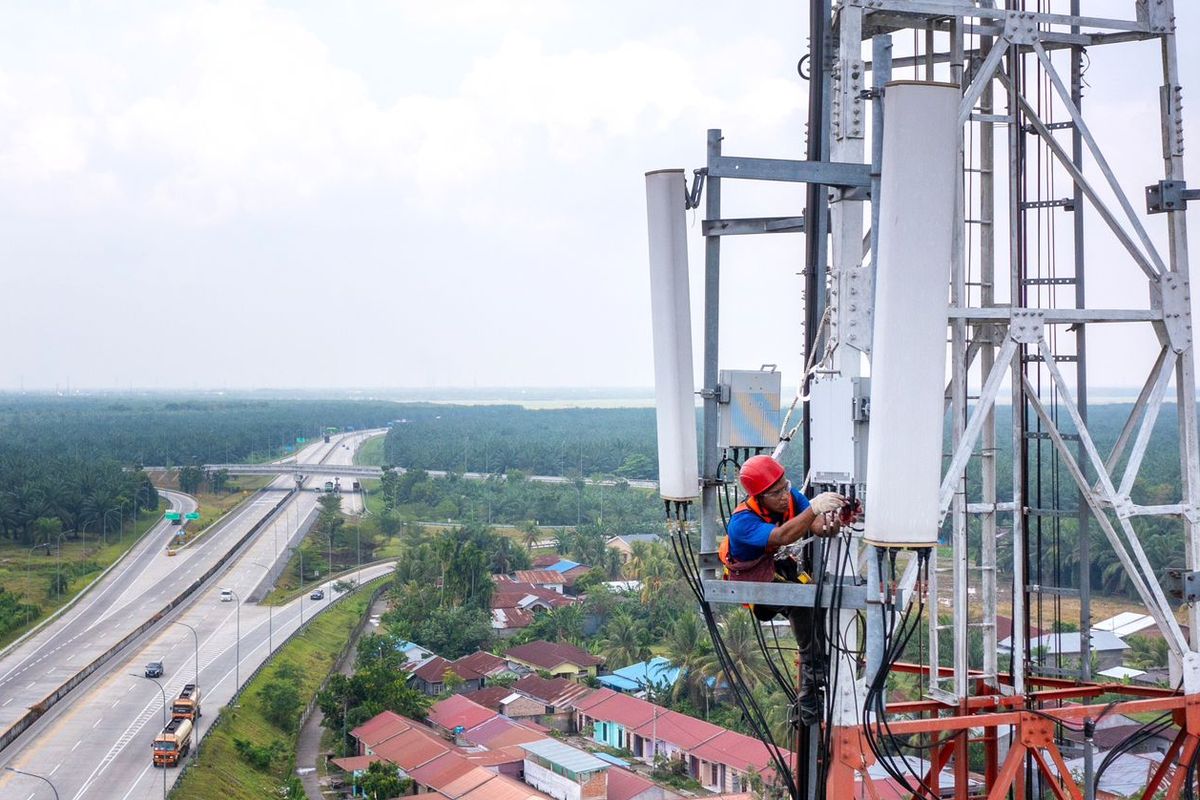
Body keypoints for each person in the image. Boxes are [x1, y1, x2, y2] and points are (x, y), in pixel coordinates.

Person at [720, 455, 847, 725]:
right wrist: (813, 509)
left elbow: (811, 524)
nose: (783, 496)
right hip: (753, 583)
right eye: (775, 493)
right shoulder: (742, 522)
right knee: (801, 602)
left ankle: (816, 678)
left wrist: (831, 524)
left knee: (812, 596)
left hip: (776, 567)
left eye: (785, 487)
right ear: (759, 496)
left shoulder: (789, 497)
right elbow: (783, 536)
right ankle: (812, 690)